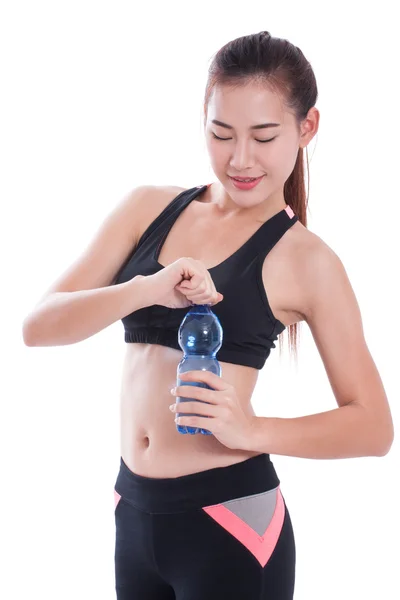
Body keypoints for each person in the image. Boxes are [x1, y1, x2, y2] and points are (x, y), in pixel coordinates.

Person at [22, 31, 394, 600]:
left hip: (231, 525)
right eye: (222, 134)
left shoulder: (307, 260)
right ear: (203, 119)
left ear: (306, 128)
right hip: (134, 515)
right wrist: (146, 289)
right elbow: (39, 326)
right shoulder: (148, 208)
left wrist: (251, 429)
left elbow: (373, 426)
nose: (240, 159)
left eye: (263, 137)